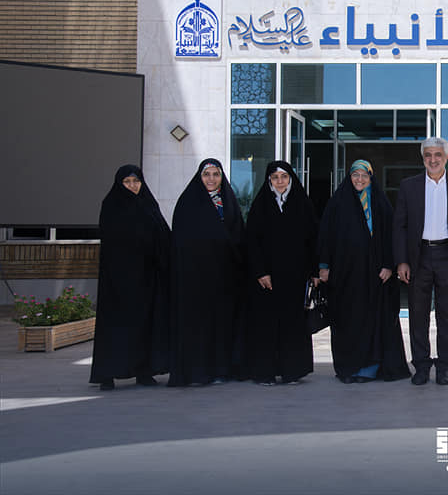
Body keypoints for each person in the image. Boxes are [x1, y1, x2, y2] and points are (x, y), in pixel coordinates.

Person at [318, 160, 411, 383]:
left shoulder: (380, 203)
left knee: (374, 321)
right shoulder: (337, 203)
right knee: (347, 321)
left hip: (375, 276)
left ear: (371, 178)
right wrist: (323, 266)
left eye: (364, 175)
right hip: (345, 275)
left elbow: (391, 236)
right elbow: (325, 236)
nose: (360, 179)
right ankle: (349, 368)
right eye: (355, 175)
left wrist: (388, 265)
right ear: (349, 177)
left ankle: (370, 369)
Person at [393, 137, 448, 386]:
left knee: (446, 316)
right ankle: (421, 366)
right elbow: (400, 226)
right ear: (423, 158)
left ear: (446, 157)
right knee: (418, 315)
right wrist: (402, 261)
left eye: (438, 154)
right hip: (418, 257)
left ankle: (443, 367)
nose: (433, 159)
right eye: (428, 155)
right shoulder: (409, 186)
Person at [90, 165, 170, 390]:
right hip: (118, 280)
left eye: (136, 181)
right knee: (115, 328)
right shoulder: (111, 205)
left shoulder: (148, 204)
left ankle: (143, 372)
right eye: (127, 182)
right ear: (119, 184)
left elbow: (162, 235)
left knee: (144, 327)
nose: (133, 186)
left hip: (145, 279)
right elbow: (111, 240)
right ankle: (108, 374)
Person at [168, 159, 246, 386]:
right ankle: (198, 371)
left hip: (225, 278)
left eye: (216, 174)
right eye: (206, 174)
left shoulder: (228, 202)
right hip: (196, 277)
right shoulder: (188, 203)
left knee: (222, 324)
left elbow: (238, 236)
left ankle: (222, 369)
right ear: (199, 177)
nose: (211, 179)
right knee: (199, 326)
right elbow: (181, 241)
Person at [245, 161, 319, 386]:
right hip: (267, 279)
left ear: (291, 179)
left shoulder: (302, 204)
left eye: (284, 177)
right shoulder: (260, 205)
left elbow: (313, 239)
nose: (280, 182)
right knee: (266, 324)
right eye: (275, 177)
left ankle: (292, 371)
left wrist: (314, 271)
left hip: (295, 276)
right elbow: (252, 242)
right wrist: (260, 271)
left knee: (292, 324)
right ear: (269, 180)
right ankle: (265, 372)